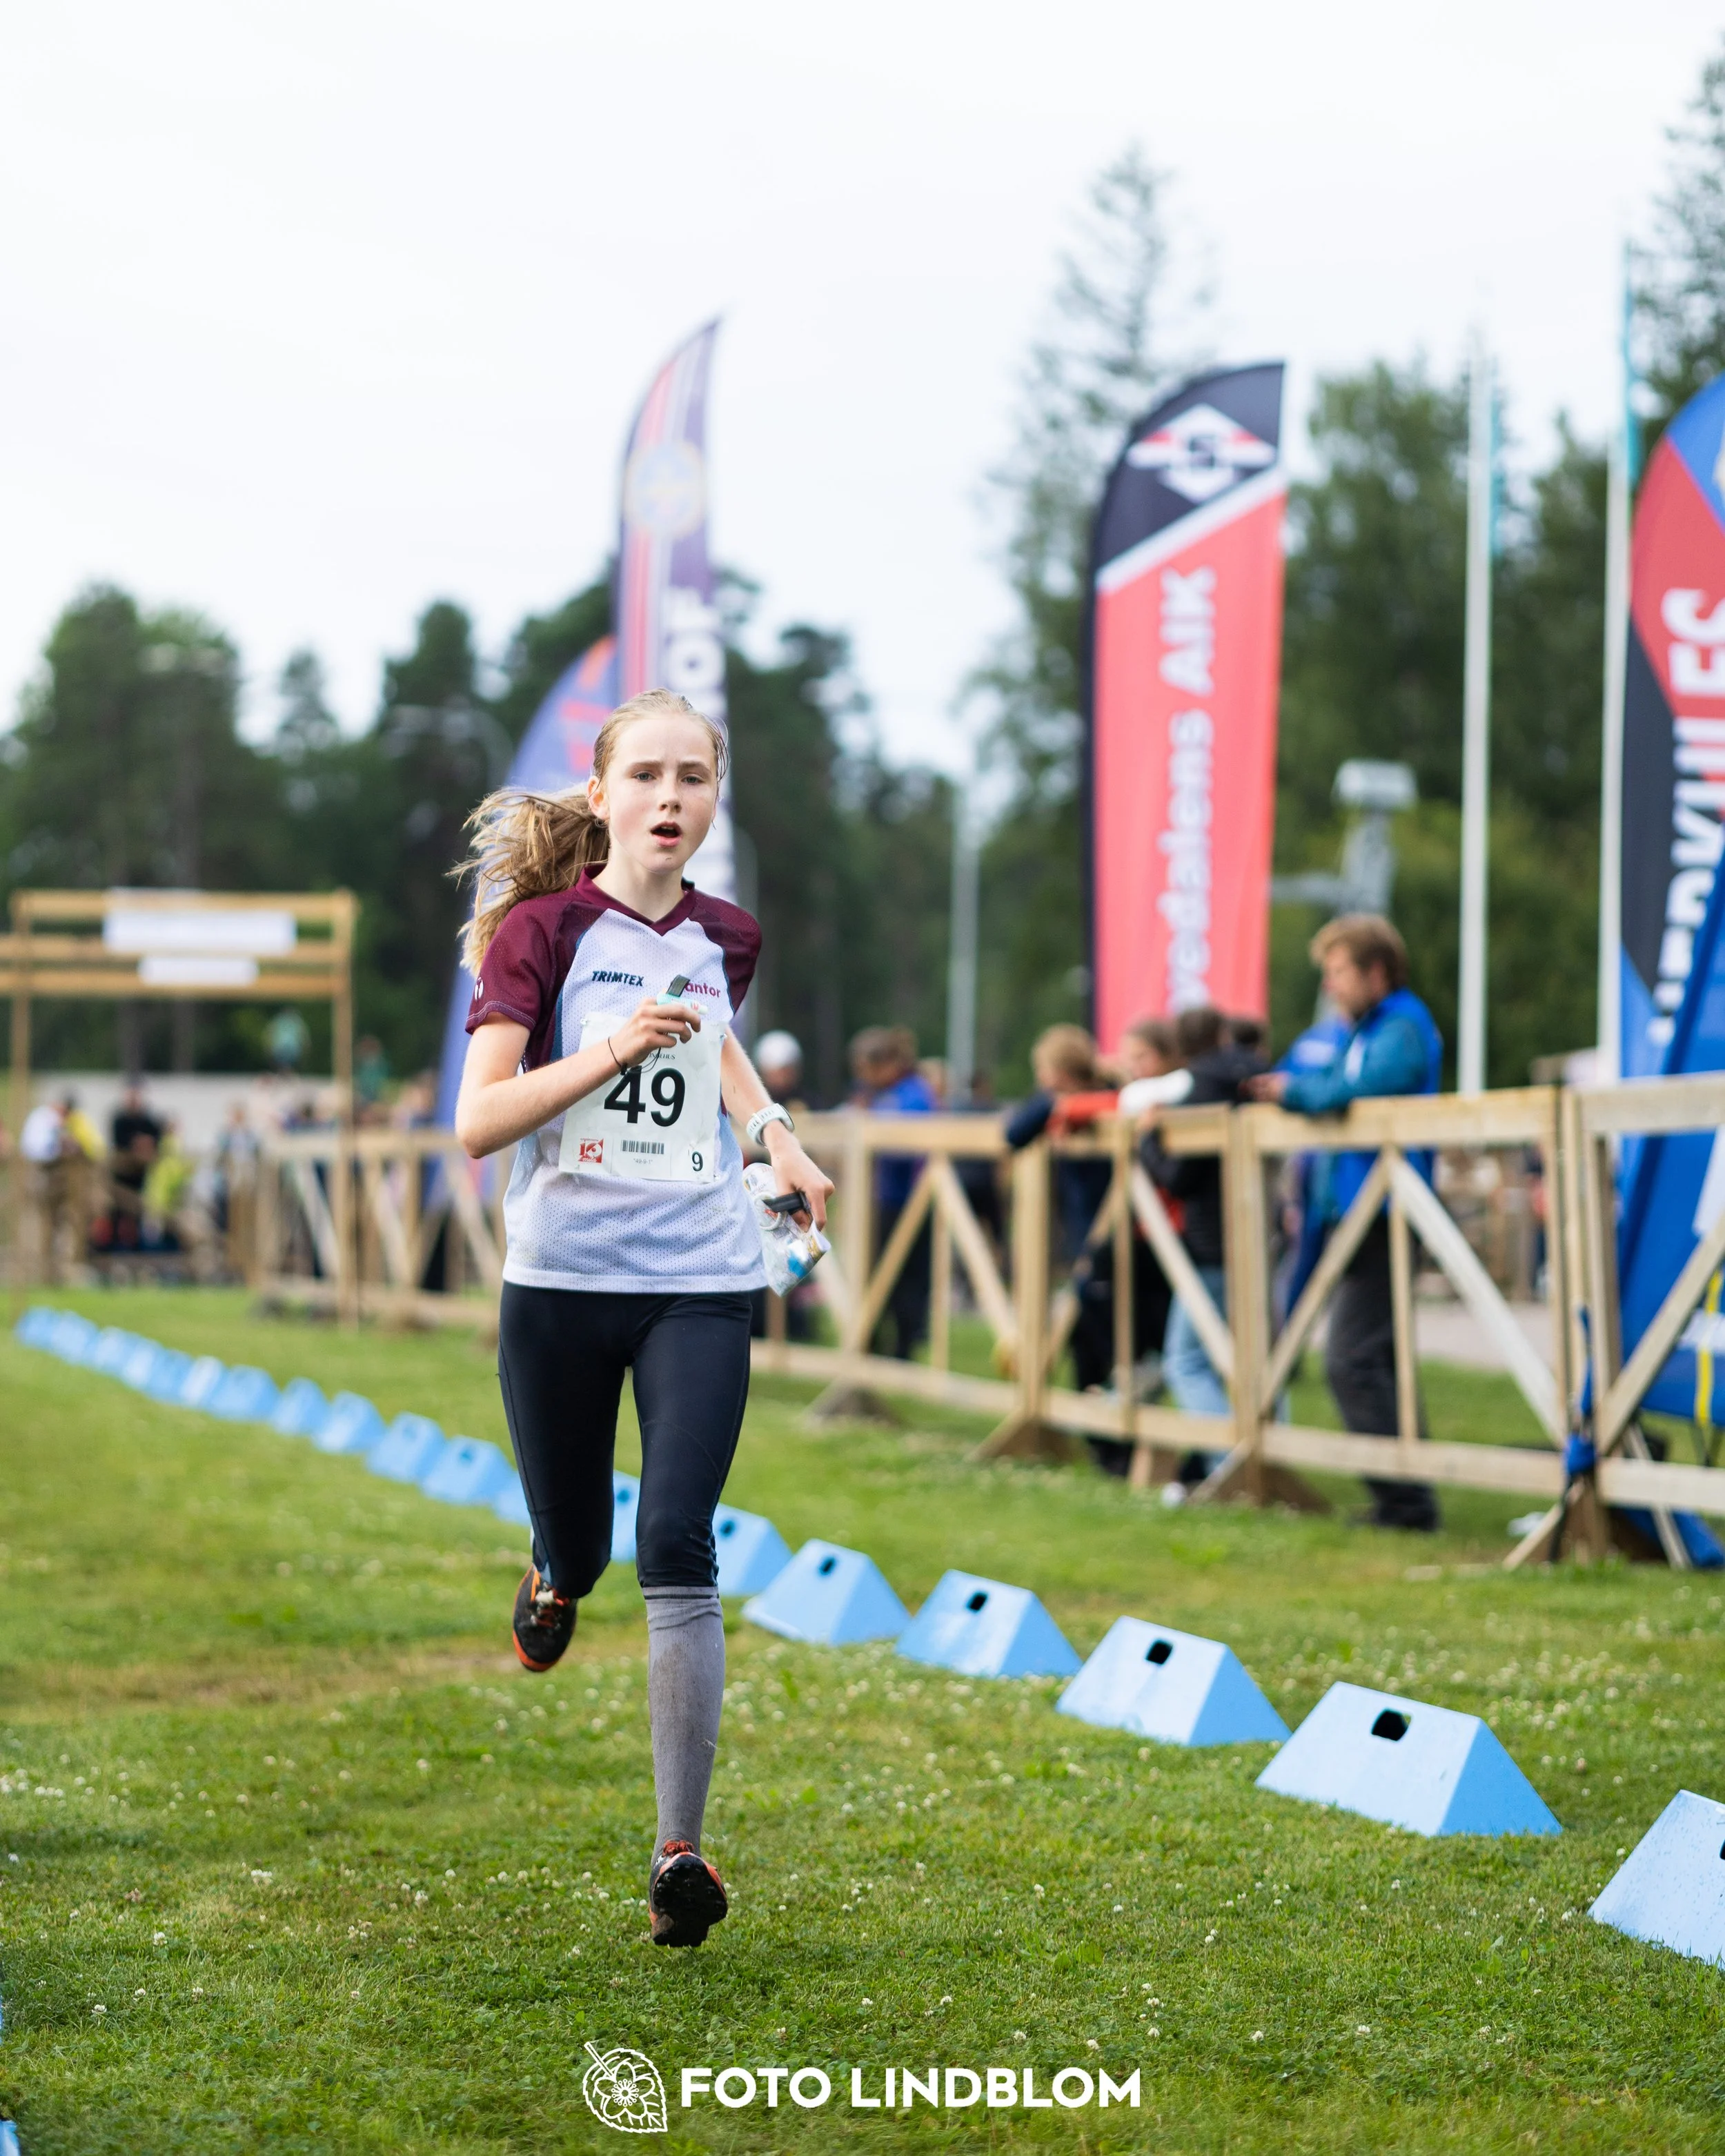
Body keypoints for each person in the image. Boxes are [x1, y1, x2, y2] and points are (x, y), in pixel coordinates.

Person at [455, 687, 832, 1950]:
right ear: (605, 792)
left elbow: (715, 1043)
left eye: (695, 778)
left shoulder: (729, 933)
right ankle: (555, 1577)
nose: (673, 800)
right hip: (561, 1279)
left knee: (680, 1535)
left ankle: (680, 1852)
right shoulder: (541, 933)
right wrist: (610, 1053)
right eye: (649, 777)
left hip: (698, 1276)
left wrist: (771, 1132)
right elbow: (480, 1121)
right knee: (588, 1547)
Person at [1245, 913, 1443, 1531]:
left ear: (1376, 972)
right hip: (1357, 1209)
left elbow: (1349, 1087)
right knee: (1375, 1360)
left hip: (1385, 1211)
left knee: (1351, 1360)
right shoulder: (1366, 1027)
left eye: (1339, 972)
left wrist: (1295, 1091)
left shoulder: (1404, 1026)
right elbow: (1332, 1079)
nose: (1331, 986)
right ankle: (1408, 1497)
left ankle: (1405, 1502)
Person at [1141, 1006, 1267, 1438]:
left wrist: (1149, 1140)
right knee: (1259, 1362)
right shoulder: (1259, 1078)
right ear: (1222, 1034)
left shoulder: (1198, 1091)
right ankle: (1272, 1457)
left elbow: (1180, 1179)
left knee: (1186, 1360)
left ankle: (1228, 1461)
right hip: (1261, 1236)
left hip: (1213, 1241)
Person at [850, 1025, 936, 1359]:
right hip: (884, 1201)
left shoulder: (914, 1093)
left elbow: (906, 1146)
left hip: (908, 1202)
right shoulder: (884, 1094)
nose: (864, 1078)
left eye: (866, 1069)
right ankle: (872, 1346)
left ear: (885, 1064)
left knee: (905, 1283)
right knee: (877, 1276)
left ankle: (903, 1350)